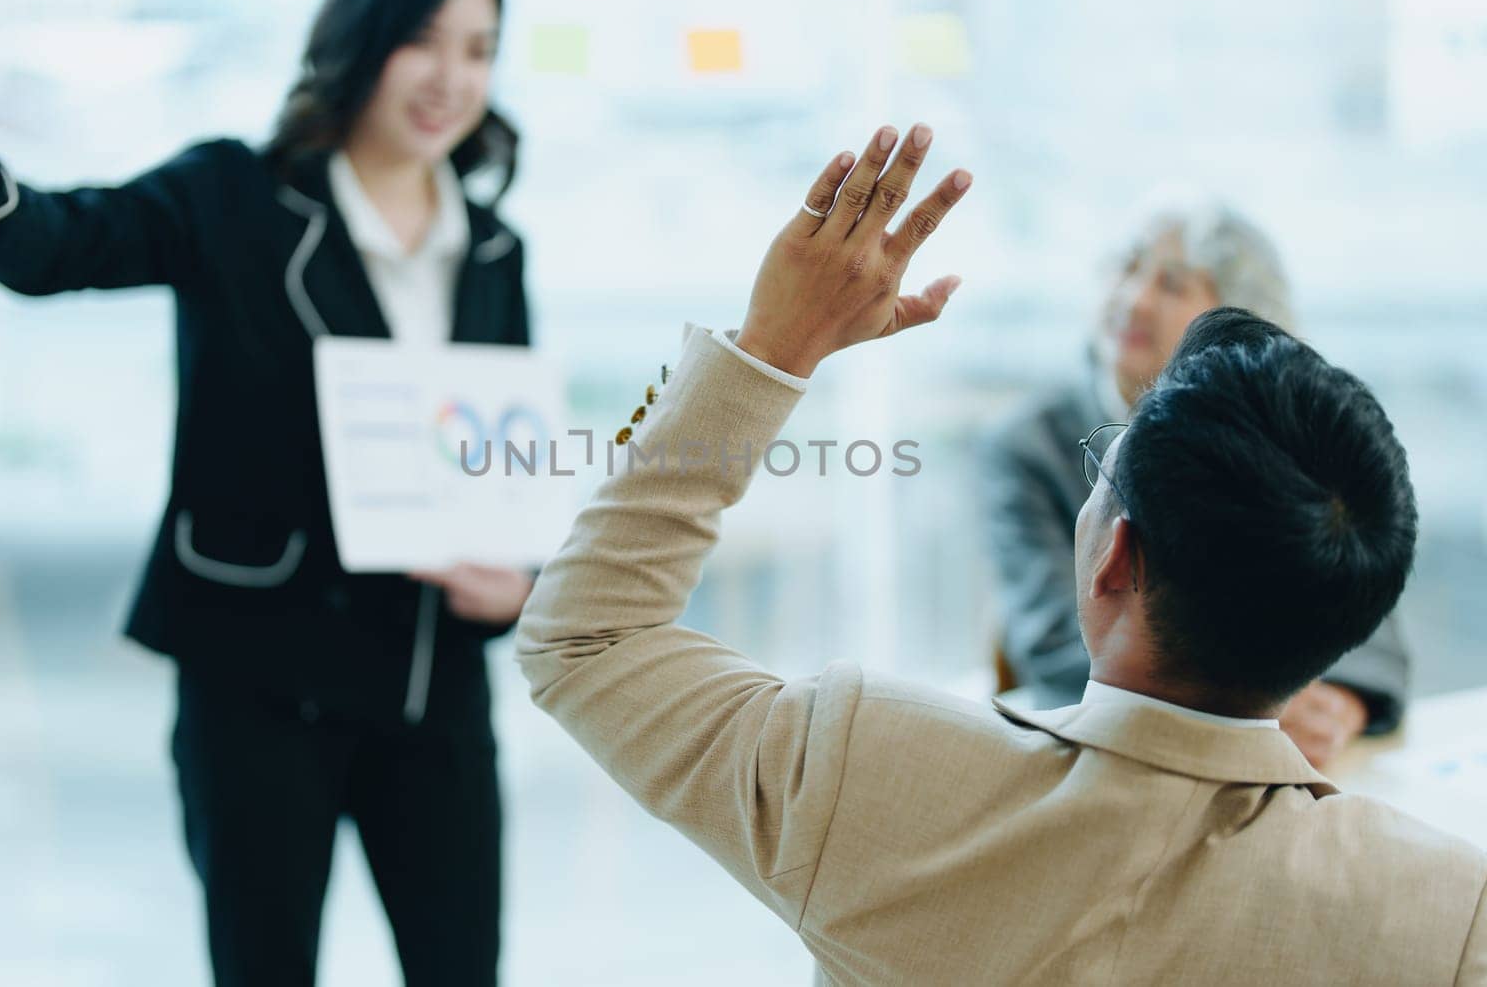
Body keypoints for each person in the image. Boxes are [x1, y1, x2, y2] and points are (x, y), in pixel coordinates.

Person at [513, 124, 1487, 984]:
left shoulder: (866, 770)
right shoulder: (1442, 911)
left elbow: (586, 637)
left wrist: (774, 345)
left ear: (1112, 557)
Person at [0, 0, 530, 983]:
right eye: (424, 40)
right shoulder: (233, 198)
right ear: (360, 38)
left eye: (479, 48)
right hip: (261, 685)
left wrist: (521, 583)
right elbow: (60, 243)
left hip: (433, 690)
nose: (450, 77)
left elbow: (508, 464)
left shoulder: (498, 250)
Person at [978, 201, 1410, 766]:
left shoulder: (1279, 430)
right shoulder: (1030, 442)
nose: (1133, 299)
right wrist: (1243, 710)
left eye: (1173, 284)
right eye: (1127, 268)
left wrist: (1341, 704)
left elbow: (1362, 591)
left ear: (1240, 315)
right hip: (1112, 753)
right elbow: (1055, 644)